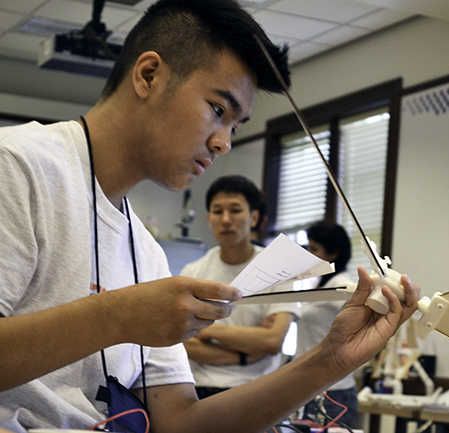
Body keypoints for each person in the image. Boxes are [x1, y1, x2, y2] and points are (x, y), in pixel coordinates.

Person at [0, 0, 422, 432]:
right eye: (218, 110)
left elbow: (183, 422)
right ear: (149, 75)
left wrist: (330, 359)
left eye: (236, 127)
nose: (224, 144)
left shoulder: (144, 253)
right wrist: (118, 315)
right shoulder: (17, 168)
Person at [181, 175, 300, 399]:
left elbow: (272, 341)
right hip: (199, 391)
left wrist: (205, 328)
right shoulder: (192, 273)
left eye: (235, 210)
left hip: (258, 391)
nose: (226, 220)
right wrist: (244, 355)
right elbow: (182, 343)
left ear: (254, 217)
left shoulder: (279, 271)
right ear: (208, 219)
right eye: (217, 211)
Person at [296, 221, 358, 428]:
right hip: (309, 386)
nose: (308, 254)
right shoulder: (319, 284)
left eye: (314, 249)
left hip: (333, 391)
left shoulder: (343, 286)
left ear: (332, 254)